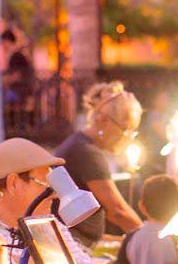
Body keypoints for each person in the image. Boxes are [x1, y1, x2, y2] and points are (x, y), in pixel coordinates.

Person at [53, 82, 144, 247]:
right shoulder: (88, 153)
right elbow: (117, 212)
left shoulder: (81, 145)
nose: (129, 137)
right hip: (75, 247)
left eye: (133, 131)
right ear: (103, 120)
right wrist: (151, 238)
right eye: (125, 129)